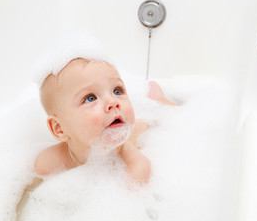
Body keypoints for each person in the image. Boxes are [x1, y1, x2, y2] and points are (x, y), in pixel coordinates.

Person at [34, 57, 175, 183]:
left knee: (151, 122)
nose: (113, 102)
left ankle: (160, 101)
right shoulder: (47, 162)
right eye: (90, 98)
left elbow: (141, 169)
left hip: (138, 130)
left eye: (117, 91)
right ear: (60, 129)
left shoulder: (128, 156)